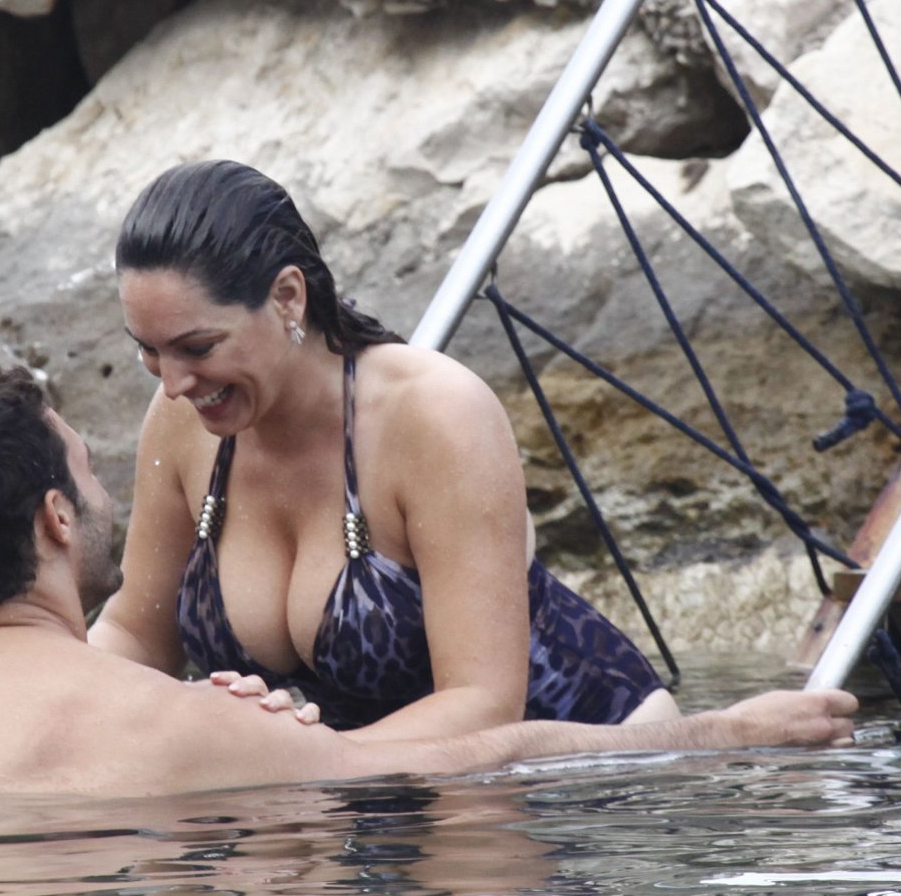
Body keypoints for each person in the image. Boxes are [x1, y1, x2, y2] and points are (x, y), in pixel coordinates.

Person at [0, 367, 857, 798]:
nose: (106, 490)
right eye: (87, 471)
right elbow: (469, 752)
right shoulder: (169, 720)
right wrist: (724, 733)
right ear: (54, 517)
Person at [88, 159, 676, 737]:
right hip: (366, 780)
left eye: (198, 347)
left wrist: (295, 764)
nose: (173, 383)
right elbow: (137, 634)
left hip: (593, 772)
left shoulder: (436, 414)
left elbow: (482, 705)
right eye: (149, 350)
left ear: (287, 297)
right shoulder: (181, 420)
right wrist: (54, 700)